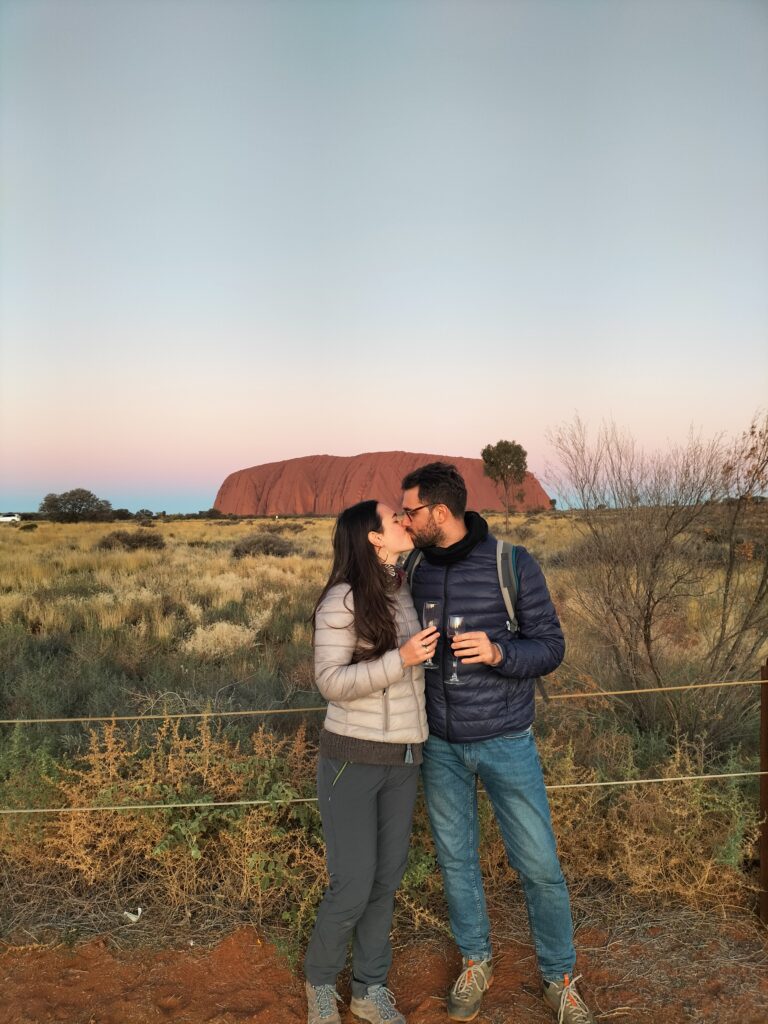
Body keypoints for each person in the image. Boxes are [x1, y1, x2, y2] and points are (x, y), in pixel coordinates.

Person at [400, 463, 595, 1024]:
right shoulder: (410, 567)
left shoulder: (512, 563)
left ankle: (559, 979)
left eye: (411, 511)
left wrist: (499, 654)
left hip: (507, 740)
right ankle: (475, 960)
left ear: (440, 512)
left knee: (538, 864)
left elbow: (551, 648)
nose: (405, 520)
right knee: (457, 860)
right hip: (439, 744)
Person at [304, 500, 439, 1024]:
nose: (405, 522)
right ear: (373, 539)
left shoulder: (402, 588)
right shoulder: (343, 599)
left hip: (405, 756)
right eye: (394, 518)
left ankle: (368, 989)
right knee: (354, 882)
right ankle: (320, 985)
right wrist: (400, 659)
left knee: (386, 879)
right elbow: (331, 683)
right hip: (352, 760)